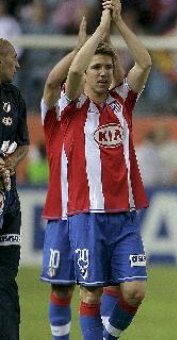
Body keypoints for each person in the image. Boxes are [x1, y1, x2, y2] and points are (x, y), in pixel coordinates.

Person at [60, 1, 151, 339]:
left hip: (124, 215)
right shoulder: (71, 107)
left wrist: (119, 23)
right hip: (87, 214)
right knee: (91, 293)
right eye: (95, 67)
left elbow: (145, 62)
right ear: (85, 72)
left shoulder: (122, 101)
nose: (102, 73)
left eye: (107, 68)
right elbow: (70, 74)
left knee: (135, 291)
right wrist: (101, 29)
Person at [39, 17, 125, 340]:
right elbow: (51, 83)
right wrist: (78, 49)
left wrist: (105, 35)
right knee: (62, 289)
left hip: (95, 210)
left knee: (108, 284)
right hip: (63, 212)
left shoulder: (96, 111)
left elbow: (112, 80)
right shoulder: (54, 114)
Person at [0, 38, 30, 340]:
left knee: (6, 279)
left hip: (9, 204)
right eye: (13, 58)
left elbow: (23, 144)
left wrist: (10, 163)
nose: (18, 65)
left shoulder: (15, 97)